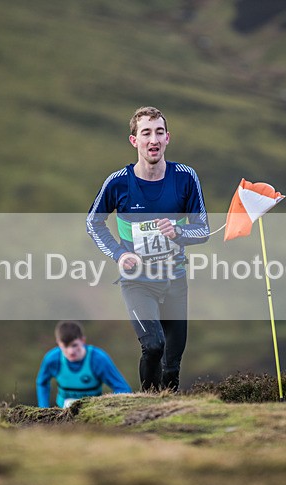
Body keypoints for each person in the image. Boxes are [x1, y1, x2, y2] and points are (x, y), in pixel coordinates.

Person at [86, 106, 209, 392]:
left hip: (175, 280)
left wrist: (178, 232)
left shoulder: (185, 177)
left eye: (159, 132)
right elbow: (93, 223)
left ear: (168, 138)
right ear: (134, 141)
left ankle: (164, 419)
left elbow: (203, 229)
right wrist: (120, 254)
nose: (153, 139)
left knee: (172, 367)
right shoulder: (118, 183)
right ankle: (146, 403)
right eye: (146, 133)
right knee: (153, 346)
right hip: (138, 282)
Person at [36, 320, 132, 408]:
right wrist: (43, 409)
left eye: (74, 345)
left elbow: (123, 388)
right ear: (58, 343)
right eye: (65, 346)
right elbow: (42, 383)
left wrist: (109, 407)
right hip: (63, 413)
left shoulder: (98, 359)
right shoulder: (52, 359)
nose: (71, 351)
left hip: (93, 412)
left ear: (83, 340)